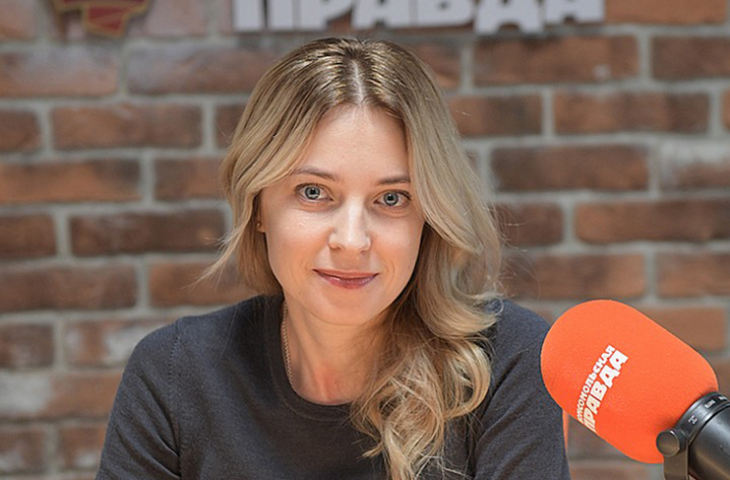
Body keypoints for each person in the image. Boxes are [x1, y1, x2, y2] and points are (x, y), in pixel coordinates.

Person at [95, 37, 570, 480]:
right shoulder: (175, 374)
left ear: (428, 217)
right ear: (258, 207)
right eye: (314, 192)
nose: (352, 240)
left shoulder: (507, 361)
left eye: (392, 199)